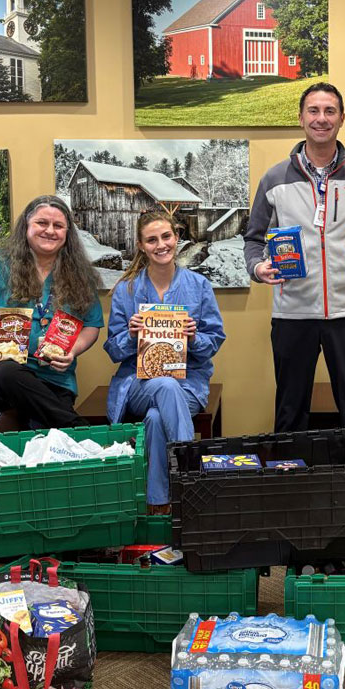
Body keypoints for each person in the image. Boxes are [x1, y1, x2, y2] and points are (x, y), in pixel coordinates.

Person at [243, 82, 345, 438]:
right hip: (293, 314)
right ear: (301, 118)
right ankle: (290, 483)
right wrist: (258, 267)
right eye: (314, 111)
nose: (321, 118)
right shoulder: (274, 179)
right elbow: (253, 241)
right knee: (290, 409)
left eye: (330, 111)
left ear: (342, 118)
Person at [104, 210, 224, 510]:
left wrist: (194, 337)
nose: (161, 245)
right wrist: (131, 335)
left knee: (157, 418)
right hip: (137, 385)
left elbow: (214, 343)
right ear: (141, 245)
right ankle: (191, 482)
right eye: (152, 240)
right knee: (165, 386)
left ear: (177, 237)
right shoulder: (126, 290)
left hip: (188, 384)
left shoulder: (199, 287)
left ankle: (159, 507)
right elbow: (113, 351)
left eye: (166, 237)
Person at [0, 196, 102, 428]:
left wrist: (73, 350)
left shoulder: (81, 275)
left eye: (58, 226)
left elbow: (91, 325)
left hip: (54, 377)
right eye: (42, 223)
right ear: (26, 226)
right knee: (9, 372)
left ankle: (77, 434)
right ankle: (86, 431)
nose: (50, 231)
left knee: (49, 441)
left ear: (68, 233)